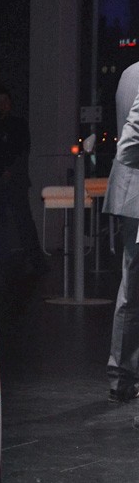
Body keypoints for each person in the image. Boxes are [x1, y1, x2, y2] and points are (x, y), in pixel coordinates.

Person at [0, 84, 44, 271]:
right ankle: (3, 259)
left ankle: (35, 259)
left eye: (6, 101)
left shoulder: (18, 124)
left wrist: (11, 170)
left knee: (24, 220)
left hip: (16, 181)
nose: (3, 105)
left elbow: (23, 150)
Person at [104, 60, 139, 403]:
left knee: (131, 287)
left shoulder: (129, 73)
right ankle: (123, 374)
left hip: (131, 195)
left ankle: (121, 375)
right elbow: (131, 138)